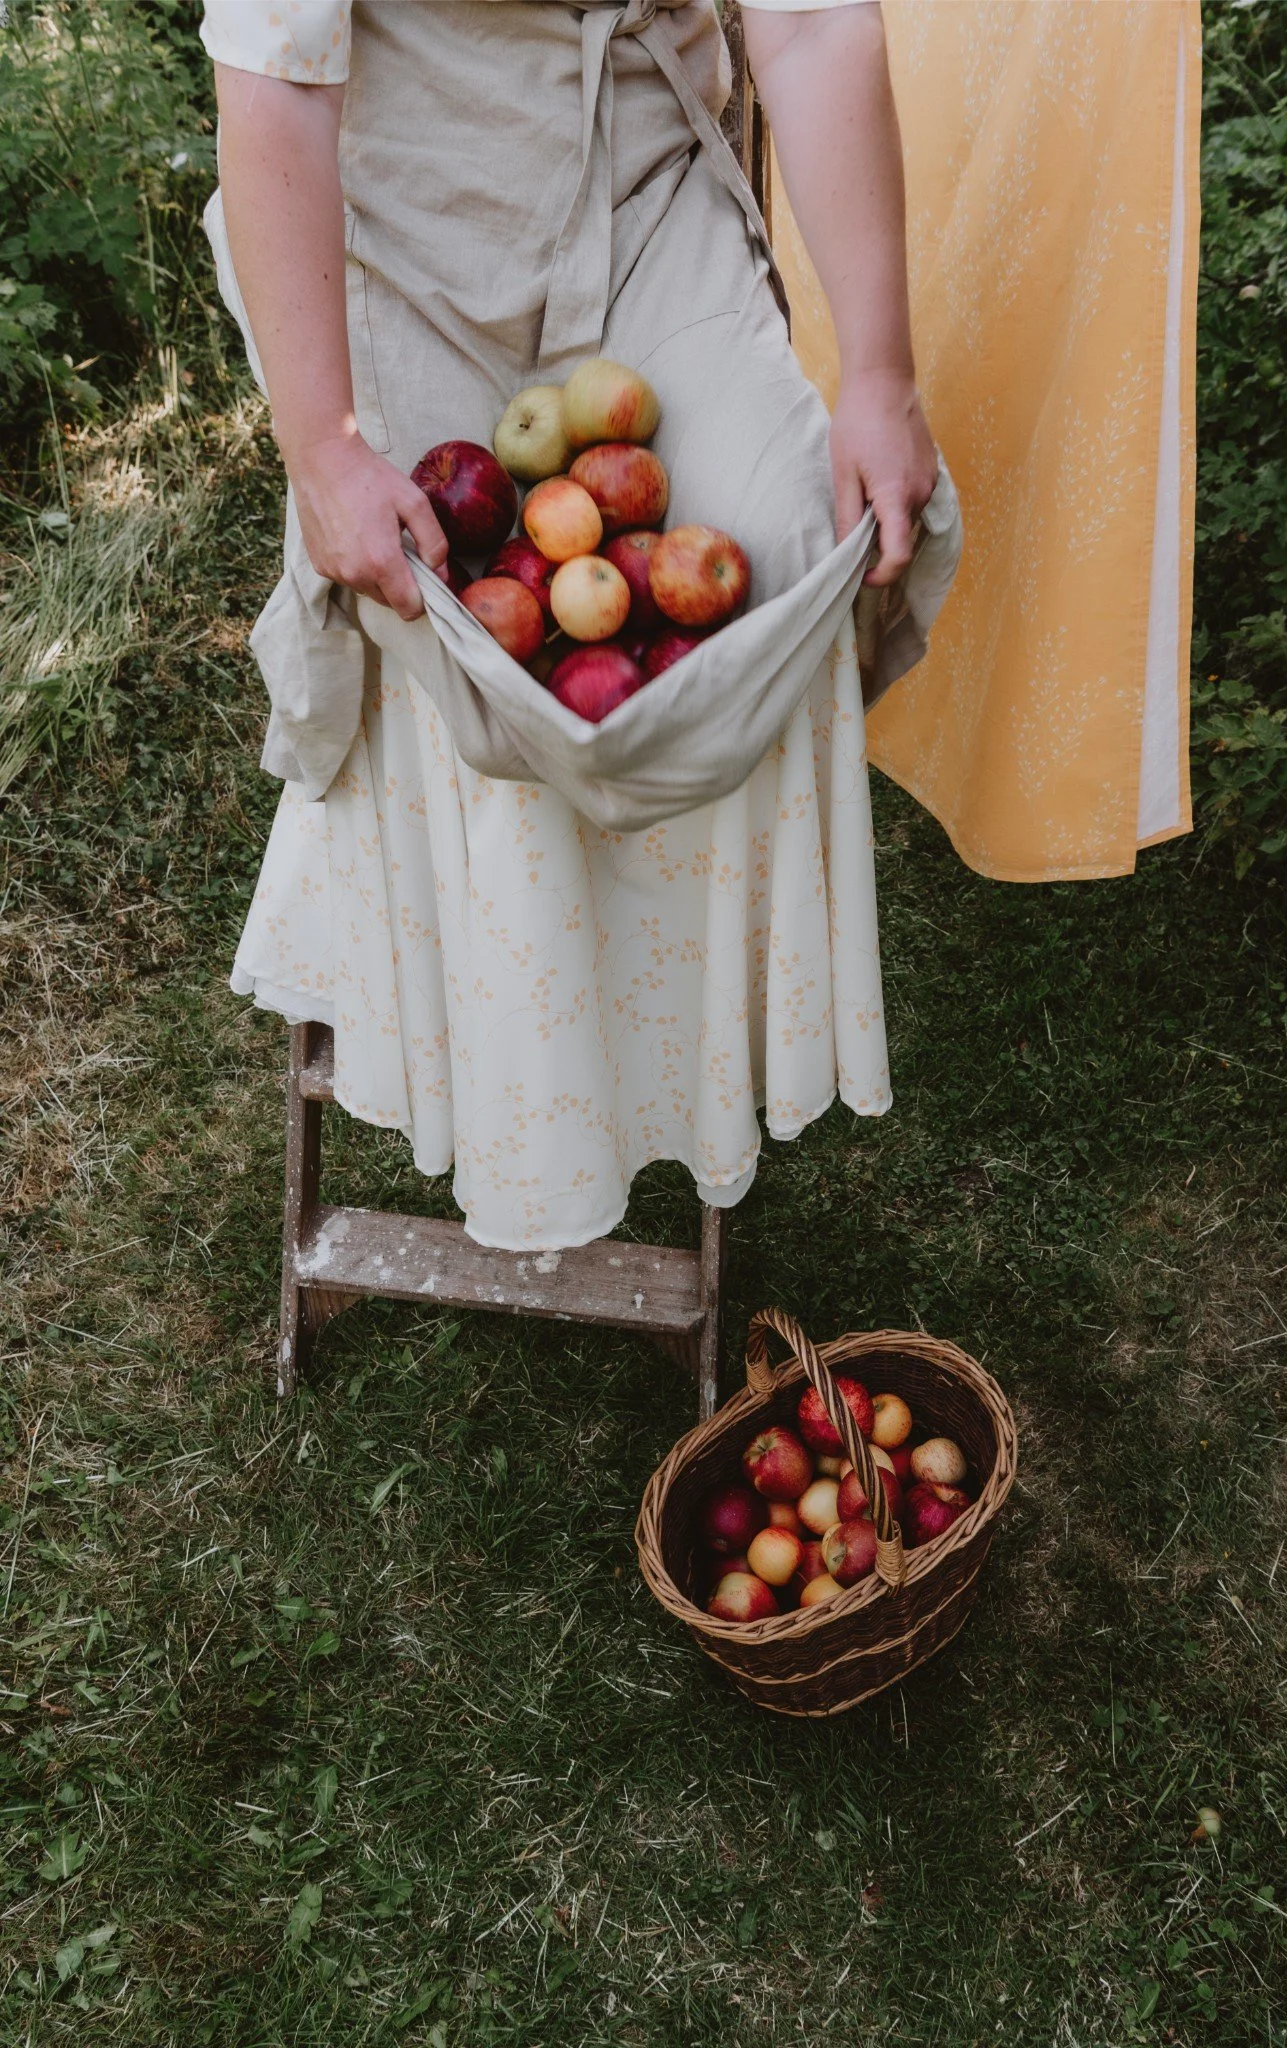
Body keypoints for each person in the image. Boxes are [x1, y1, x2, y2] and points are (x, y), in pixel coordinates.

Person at [208, 0, 937, 1252]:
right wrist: (324, 450)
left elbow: (811, 23)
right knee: (460, 629)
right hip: (397, 221)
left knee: (788, 543)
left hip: (643, 195)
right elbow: (276, 79)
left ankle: (696, 1048)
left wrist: (878, 376)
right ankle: (511, 1082)